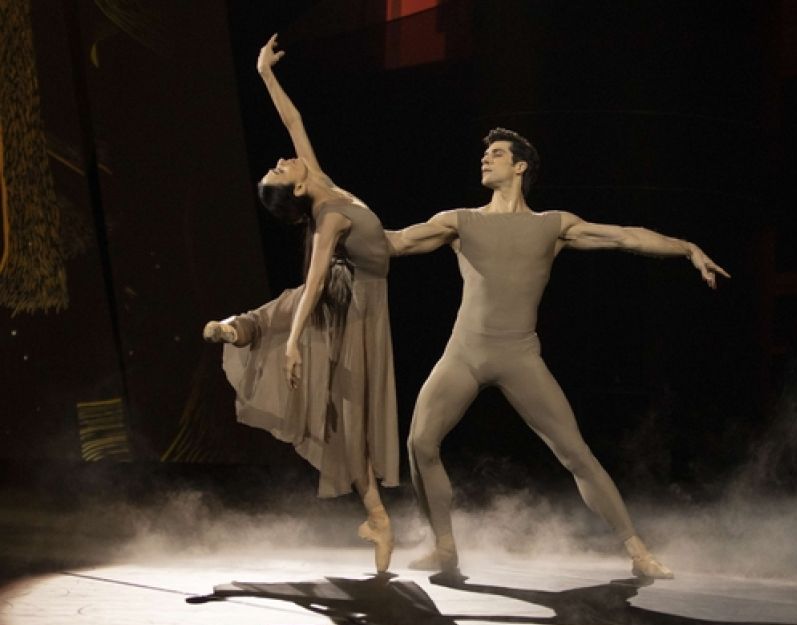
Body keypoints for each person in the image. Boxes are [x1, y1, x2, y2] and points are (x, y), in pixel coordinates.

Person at [386, 128, 730, 578]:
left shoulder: (553, 225)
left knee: (575, 453)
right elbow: (396, 242)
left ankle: (639, 553)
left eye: (496, 154)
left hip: (520, 356)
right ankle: (445, 547)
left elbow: (626, 237)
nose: (485, 159)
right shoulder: (458, 220)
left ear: (520, 166)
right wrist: (338, 220)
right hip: (464, 353)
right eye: (485, 154)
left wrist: (687, 248)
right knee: (419, 442)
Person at [203, 35, 397, 573]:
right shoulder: (329, 213)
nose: (284, 161)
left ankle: (378, 519)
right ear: (294, 191)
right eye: (280, 171)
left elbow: (293, 122)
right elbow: (313, 284)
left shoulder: (323, 182)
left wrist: (263, 71)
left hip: (362, 299)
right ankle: (243, 328)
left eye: (281, 165)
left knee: (347, 418)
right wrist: (290, 345)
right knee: (345, 411)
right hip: (351, 305)